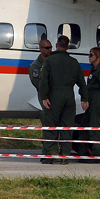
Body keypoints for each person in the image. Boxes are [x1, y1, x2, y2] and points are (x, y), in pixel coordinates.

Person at [38, 35, 88, 164]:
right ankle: (65, 155)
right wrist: (84, 99)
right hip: (69, 96)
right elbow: (82, 82)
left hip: (55, 95)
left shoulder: (49, 61)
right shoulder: (74, 62)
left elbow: (44, 81)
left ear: (56, 45)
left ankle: (50, 154)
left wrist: (44, 97)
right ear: (68, 46)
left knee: (51, 125)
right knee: (67, 127)